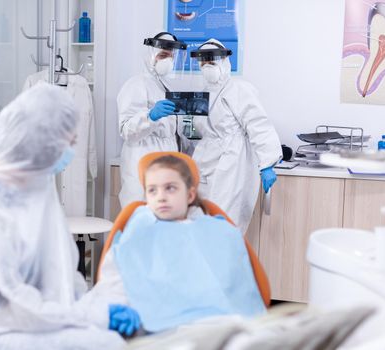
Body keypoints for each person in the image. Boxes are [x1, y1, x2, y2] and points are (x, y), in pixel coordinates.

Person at [0, 84, 138, 350]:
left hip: (30, 321)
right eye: (69, 142)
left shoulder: (37, 191)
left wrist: (87, 307)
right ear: (40, 141)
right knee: (105, 344)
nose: (71, 151)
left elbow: (60, 271)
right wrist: (90, 316)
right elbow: (8, 304)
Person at [97, 152, 266, 333]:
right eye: (152, 190)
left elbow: (234, 288)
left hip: (208, 322)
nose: (160, 197)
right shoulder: (140, 227)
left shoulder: (214, 230)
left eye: (170, 188)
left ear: (190, 194)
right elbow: (117, 277)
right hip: (156, 323)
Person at [189, 39, 282, 234]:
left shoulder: (239, 89)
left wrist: (267, 163)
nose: (208, 66)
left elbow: (258, 124)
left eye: (212, 61)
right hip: (205, 162)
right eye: (204, 62)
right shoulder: (203, 93)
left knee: (224, 224)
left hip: (232, 163)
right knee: (198, 223)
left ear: (224, 62)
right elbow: (198, 132)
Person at [117, 32, 187, 207]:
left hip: (167, 161)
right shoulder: (135, 84)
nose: (167, 61)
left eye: (171, 57)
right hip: (143, 158)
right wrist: (150, 116)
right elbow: (126, 130)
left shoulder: (167, 86)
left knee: (163, 218)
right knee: (139, 216)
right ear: (151, 55)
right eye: (163, 55)